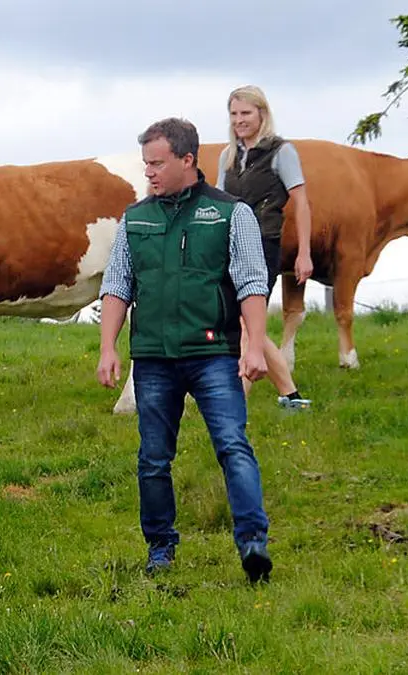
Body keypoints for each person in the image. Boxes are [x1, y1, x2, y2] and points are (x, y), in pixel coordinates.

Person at [96, 117, 273, 583]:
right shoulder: (135, 219)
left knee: (233, 445)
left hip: (214, 354)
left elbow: (253, 283)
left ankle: (254, 543)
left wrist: (255, 346)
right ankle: (160, 548)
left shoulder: (232, 214)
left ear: (187, 160)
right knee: (153, 457)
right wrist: (108, 348)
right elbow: (117, 285)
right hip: (153, 358)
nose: (149, 173)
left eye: (157, 163)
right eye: (145, 164)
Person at [217, 84, 312, 410]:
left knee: (244, 322)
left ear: (262, 113)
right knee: (244, 322)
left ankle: (234, 405)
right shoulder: (227, 157)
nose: (239, 120)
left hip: (263, 245)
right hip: (228, 248)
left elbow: (301, 203)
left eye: (245, 113)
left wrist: (304, 252)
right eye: (234, 114)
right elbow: (219, 205)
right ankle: (290, 396)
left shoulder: (281, 152)